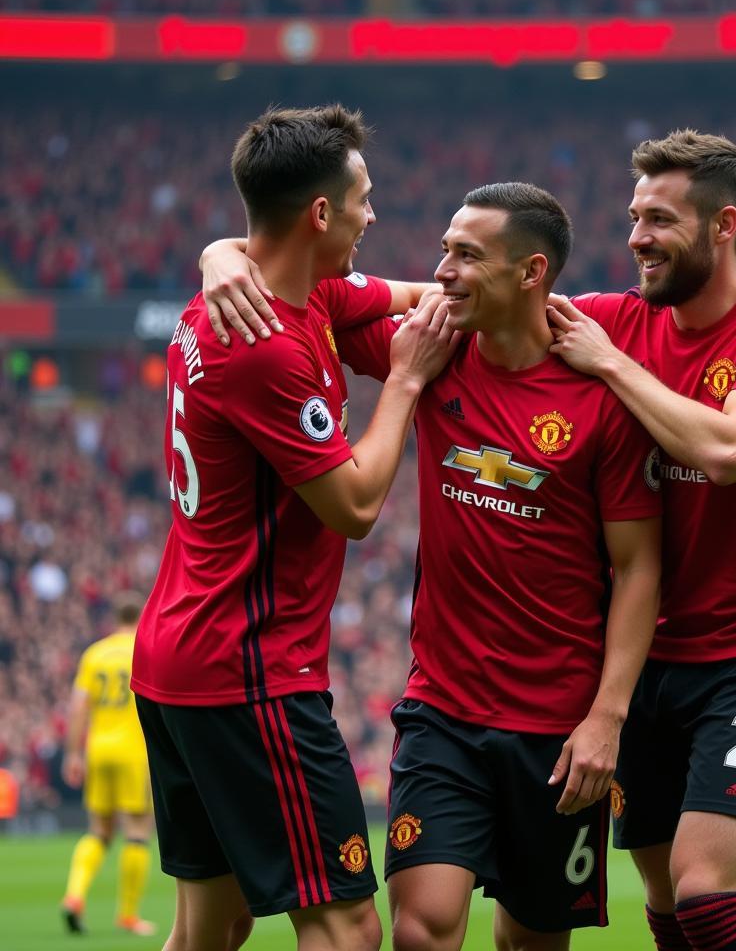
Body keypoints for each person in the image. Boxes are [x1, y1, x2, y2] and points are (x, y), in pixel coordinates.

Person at [203, 181, 663, 951]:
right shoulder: (431, 350)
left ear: (531, 272)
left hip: (558, 731)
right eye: (445, 249)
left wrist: (606, 720)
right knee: (422, 929)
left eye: (466, 255)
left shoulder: (600, 396)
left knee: (531, 941)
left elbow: (639, 568)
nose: (442, 270)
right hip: (442, 716)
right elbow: (305, 293)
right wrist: (220, 254)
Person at [131, 104, 457, 951]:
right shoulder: (264, 344)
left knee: (212, 927)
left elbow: (414, 295)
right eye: (364, 199)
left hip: (177, 656)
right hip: (250, 671)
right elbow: (353, 507)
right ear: (321, 213)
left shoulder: (246, 301)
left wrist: (219, 251)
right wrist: (407, 385)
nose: (374, 216)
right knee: (347, 922)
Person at [545, 128, 736, 951]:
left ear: (723, 226)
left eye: (660, 219)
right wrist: (231, 255)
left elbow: (729, 450)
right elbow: (481, 285)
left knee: (709, 902)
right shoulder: (615, 320)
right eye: (635, 217)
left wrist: (609, 366)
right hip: (645, 662)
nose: (636, 236)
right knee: (668, 909)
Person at [61, 594, 155, 937]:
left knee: (98, 831)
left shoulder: (95, 653)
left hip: (98, 749)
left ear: (115, 618)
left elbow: (77, 707)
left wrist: (73, 754)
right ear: (141, 616)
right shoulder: (146, 648)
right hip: (135, 751)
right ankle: (128, 916)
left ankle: (74, 897)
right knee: (138, 830)